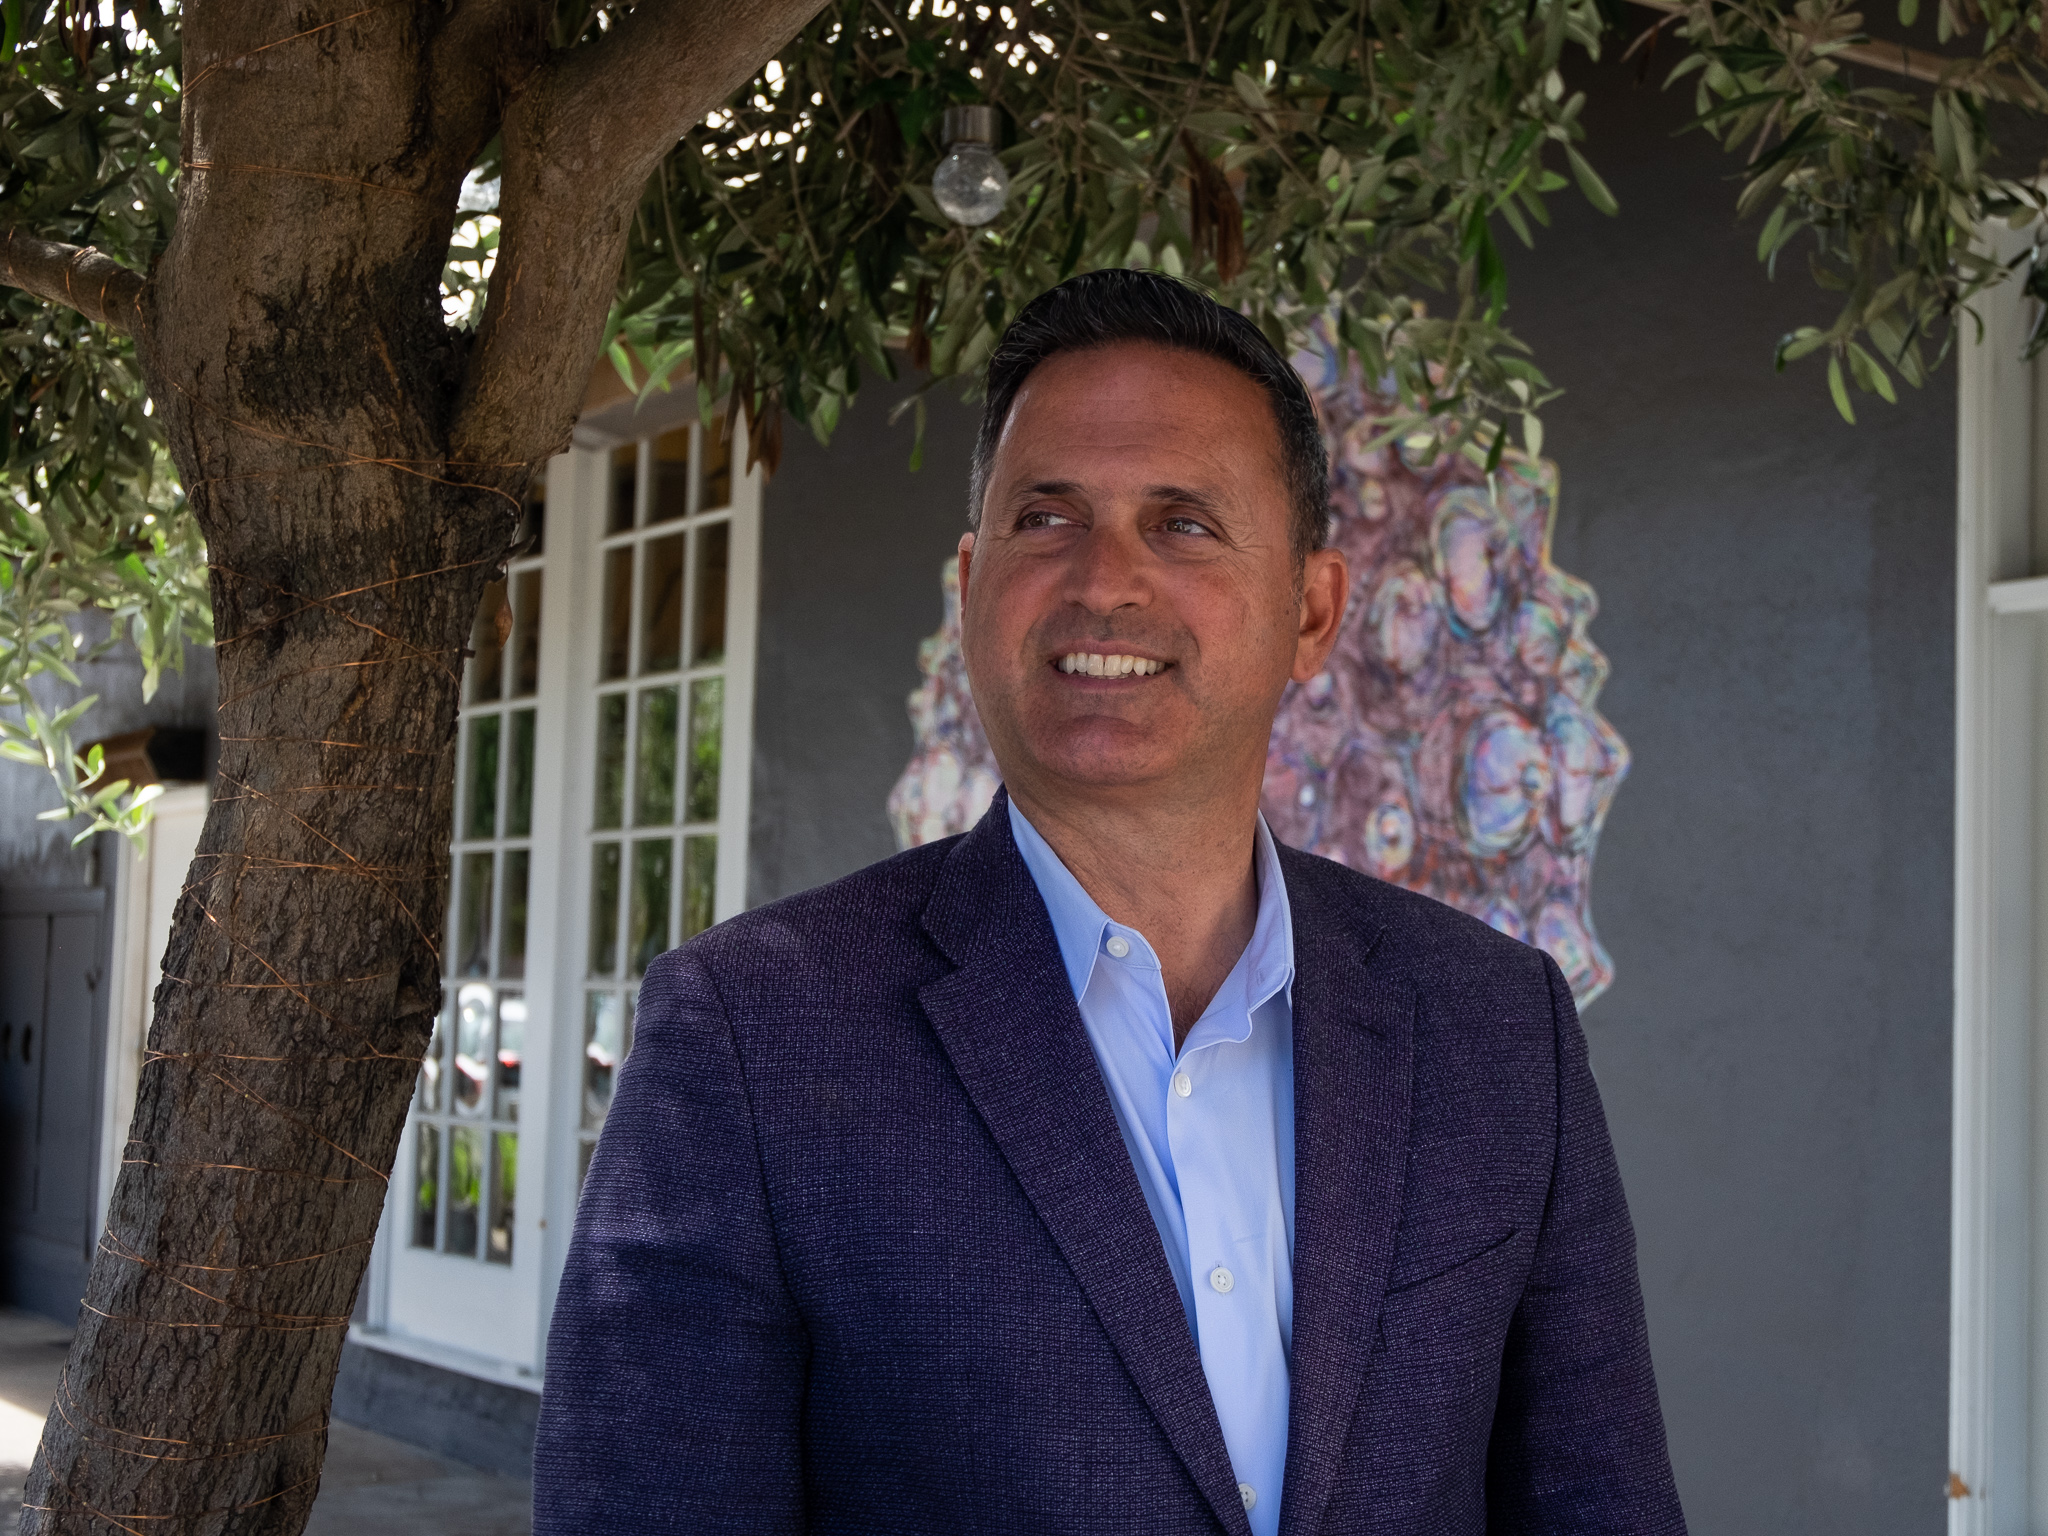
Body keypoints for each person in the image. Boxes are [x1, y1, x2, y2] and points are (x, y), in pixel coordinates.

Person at [533, 270, 1686, 1536]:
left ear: (1311, 611)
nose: (1104, 582)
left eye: (1182, 522)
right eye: (1046, 518)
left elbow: (1598, 1500)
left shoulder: (1493, 1026)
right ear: (971, 584)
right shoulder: (753, 1032)